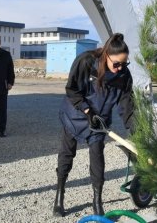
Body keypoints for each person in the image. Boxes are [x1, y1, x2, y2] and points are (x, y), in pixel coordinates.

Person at [53, 33, 134, 217]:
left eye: (124, 64)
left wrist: (135, 132)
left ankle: (97, 200)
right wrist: (87, 111)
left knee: (97, 160)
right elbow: (71, 89)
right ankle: (59, 195)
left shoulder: (123, 75)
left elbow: (128, 106)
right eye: (116, 64)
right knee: (67, 154)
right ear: (106, 55)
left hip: (100, 122)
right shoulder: (86, 62)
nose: (119, 68)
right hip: (76, 115)